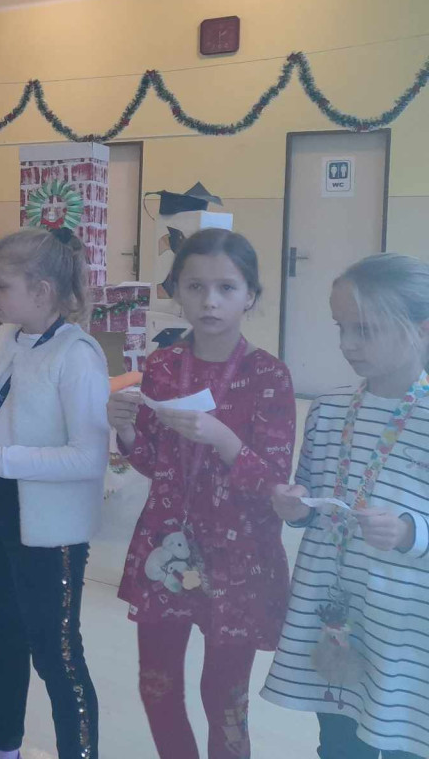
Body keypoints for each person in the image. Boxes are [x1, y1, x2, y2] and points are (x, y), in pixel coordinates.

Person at [109, 228, 296, 759]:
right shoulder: (164, 366)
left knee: (224, 696)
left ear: (250, 295)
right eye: (195, 286)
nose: (210, 301)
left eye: (226, 288)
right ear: (177, 292)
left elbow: (274, 480)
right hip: (167, 547)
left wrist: (223, 439)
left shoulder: (268, 375)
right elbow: (153, 462)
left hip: (239, 555)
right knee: (157, 685)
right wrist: (125, 430)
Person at [0, 226, 109, 759]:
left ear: (42, 291)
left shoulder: (77, 356)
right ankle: (3, 745)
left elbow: (89, 458)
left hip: (48, 530)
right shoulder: (0, 339)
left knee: (56, 653)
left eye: (1, 285)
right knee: (3, 632)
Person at [263, 253, 429, 759]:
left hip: (403, 622)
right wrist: (297, 507)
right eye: (341, 327)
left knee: (400, 738)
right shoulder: (330, 408)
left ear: (422, 329)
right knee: (337, 743)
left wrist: (408, 533)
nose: (347, 344)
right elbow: (315, 498)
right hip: (333, 611)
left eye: (365, 329)